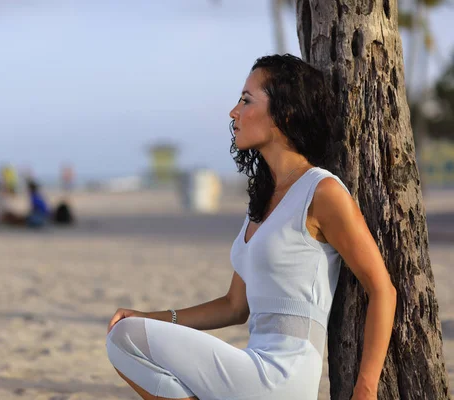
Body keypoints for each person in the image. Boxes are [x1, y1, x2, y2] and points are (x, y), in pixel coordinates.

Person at [105, 54, 397, 400]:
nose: (234, 112)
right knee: (128, 332)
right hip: (253, 367)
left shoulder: (322, 191)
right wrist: (151, 316)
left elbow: (383, 290)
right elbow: (234, 306)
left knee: (125, 338)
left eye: (246, 100)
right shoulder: (262, 201)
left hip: (283, 375)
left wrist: (366, 389)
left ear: (284, 113)